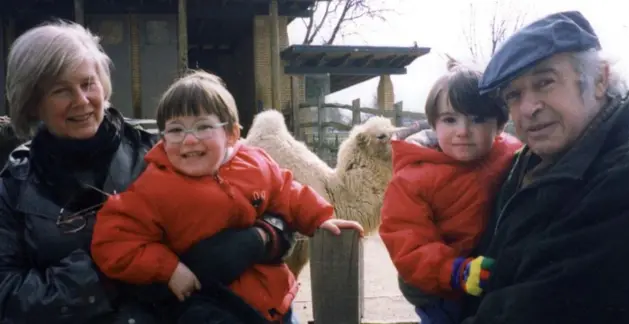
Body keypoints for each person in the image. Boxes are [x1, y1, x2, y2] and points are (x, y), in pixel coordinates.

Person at [0, 20, 295, 324]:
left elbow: (274, 196)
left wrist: (261, 237)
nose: (82, 100)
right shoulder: (15, 186)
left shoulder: (164, 150)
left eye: (88, 83)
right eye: (61, 91)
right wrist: (110, 269)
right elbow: (6, 294)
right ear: (33, 104)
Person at [91, 70, 364, 324]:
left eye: (203, 127)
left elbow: (287, 191)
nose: (189, 140)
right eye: (175, 129)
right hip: (210, 308)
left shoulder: (256, 164)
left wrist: (320, 219)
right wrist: (169, 268)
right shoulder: (154, 186)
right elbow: (113, 239)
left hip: (275, 301)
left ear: (232, 134)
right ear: (162, 138)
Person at [460, 11, 629, 324]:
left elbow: (540, 308)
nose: (528, 108)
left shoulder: (626, 180)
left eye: (545, 82)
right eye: (514, 95)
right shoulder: (528, 162)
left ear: (599, 80)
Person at [379, 63, 521, 324]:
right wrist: (457, 271)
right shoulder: (412, 179)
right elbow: (409, 244)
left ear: (500, 125)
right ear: (434, 124)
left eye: (477, 119)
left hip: (490, 273)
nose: (463, 131)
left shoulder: (512, 155)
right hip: (441, 288)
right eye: (449, 119)